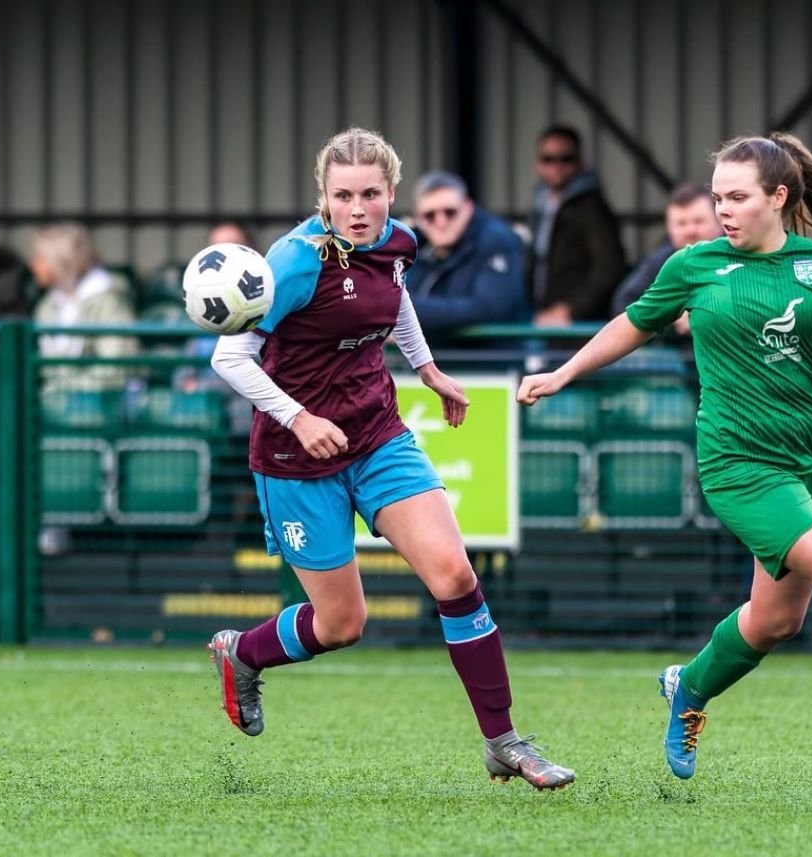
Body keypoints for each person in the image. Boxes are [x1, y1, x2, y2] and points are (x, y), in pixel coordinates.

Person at [516, 132, 812, 784]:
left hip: (811, 460)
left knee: (776, 620)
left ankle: (687, 687)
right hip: (737, 464)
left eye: (738, 196)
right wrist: (563, 372)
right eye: (718, 196)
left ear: (778, 196)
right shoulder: (694, 265)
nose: (724, 208)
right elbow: (633, 322)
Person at [206, 127, 574, 790]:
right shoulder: (293, 262)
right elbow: (227, 357)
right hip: (297, 455)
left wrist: (427, 370)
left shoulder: (397, 240)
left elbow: (395, 296)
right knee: (342, 623)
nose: (356, 207)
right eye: (342, 194)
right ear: (322, 194)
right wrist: (299, 414)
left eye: (369, 193)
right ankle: (242, 652)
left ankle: (504, 740)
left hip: (378, 434)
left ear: (389, 192)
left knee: (455, 575)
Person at [406, 170, 528, 336]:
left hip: (491, 358)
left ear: (468, 208)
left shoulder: (496, 239)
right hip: (436, 357)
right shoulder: (413, 243)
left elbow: (488, 308)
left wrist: (403, 308)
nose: (441, 222)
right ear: (418, 218)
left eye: (450, 212)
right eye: (430, 215)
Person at [527, 125, 627, 325]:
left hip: (577, 325)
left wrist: (571, 310)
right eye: (548, 159)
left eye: (566, 159)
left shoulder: (592, 208)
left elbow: (610, 267)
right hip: (543, 317)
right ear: (537, 164)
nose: (556, 166)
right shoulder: (540, 205)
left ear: (580, 163)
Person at [30, 222, 138, 394]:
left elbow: (115, 368)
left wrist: (65, 392)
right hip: (56, 408)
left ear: (61, 259)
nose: (33, 265)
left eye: (40, 258)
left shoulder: (108, 302)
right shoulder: (48, 305)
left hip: (99, 409)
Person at [610, 183, 723, 331]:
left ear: (719, 222)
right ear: (669, 228)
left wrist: (703, 317)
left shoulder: (740, 254)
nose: (690, 230)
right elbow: (624, 303)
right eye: (681, 224)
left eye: (698, 221)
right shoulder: (662, 260)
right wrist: (673, 318)